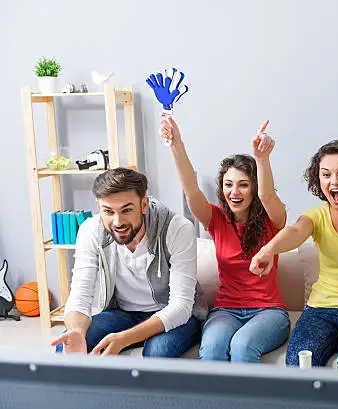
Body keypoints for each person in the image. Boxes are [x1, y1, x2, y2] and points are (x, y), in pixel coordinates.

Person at [250, 140, 338, 368]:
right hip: (320, 310)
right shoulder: (316, 215)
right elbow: (295, 231)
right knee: (298, 363)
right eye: (326, 175)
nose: (334, 181)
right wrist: (268, 249)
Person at [160, 116, 290, 363]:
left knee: (242, 347)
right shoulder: (217, 220)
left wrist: (261, 159)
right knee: (211, 350)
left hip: (268, 311)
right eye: (229, 185)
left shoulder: (273, 221)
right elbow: (191, 189)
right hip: (226, 310)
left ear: (253, 189)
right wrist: (176, 143)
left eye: (243, 185)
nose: (234, 192)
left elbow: (268, 194)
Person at [51, 167, 201, 357]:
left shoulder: (176, 229)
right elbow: (80, 297)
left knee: (158, 352)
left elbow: (181, 307)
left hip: (174, 315)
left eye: (127, 210)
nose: (118, 221)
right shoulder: (91, 231)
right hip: (123, 313)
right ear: (98, 207)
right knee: (67, 344)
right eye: (108, 211)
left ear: (144, 204)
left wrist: (124, 339)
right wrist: (77, 332)